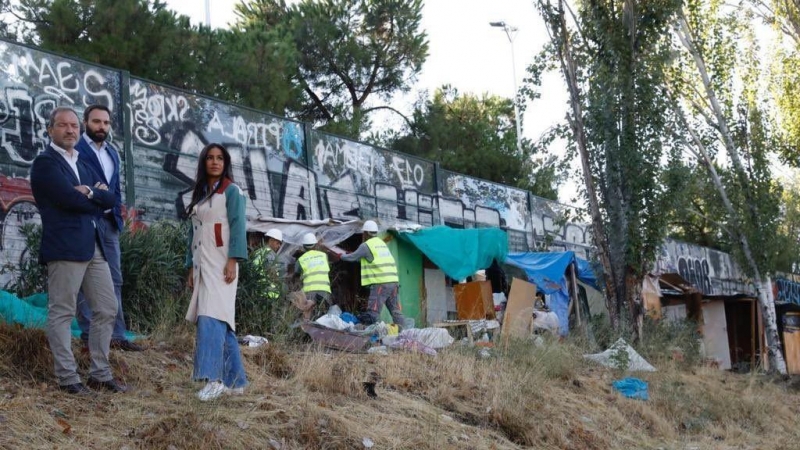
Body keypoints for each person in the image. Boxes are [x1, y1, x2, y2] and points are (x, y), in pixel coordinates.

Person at [30, 106, 126, 394]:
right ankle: (68, 378)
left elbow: (110, 197)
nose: (70, 130)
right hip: (64, 247)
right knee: (62, 312)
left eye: (74, 126)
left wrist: (92, 192)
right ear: (51, 130)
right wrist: (91, 196)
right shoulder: (45, 164)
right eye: (63, 125)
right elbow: (70, 201)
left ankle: (100, 373)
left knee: (107, 308)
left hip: (92, 246)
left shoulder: (82, 163)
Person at [74, 104, 143, 352]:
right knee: (84, 279)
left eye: (105, 122)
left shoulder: (112, 152)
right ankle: (88, 334)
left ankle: (117, 335)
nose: (101, 126)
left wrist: (117, 214)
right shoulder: (76, 150)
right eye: (96, 122)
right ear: (85, 123)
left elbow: (115, 190)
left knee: (115, 279)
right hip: (84, 222)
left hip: (109, 224)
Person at [185, 143, 248, 401]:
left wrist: (233, 260)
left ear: (225, 162)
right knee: (221, 321)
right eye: (210, 158)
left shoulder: (231, 191)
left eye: (220, 158)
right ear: (204, 162)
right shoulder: (200, 193)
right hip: (202, 264)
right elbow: (193, 233)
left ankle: (213, 379)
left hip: (222, 264)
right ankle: (235, 382)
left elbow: (238, 225)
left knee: (210, 317)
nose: (215, 162)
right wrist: (190, 266)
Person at [341, 220, 405, 327]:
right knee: (395, 310)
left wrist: (340, 255)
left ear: (365, 233)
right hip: (393, 282)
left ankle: (372, 336)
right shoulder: (381, 244)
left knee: (373, 312)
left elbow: (352, 258)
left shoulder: (366, 246)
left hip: (381, 283)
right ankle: (406, 333)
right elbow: (368, 259)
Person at [292, 232, 332, 320]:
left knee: (310, 318)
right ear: (315, 244)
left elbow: (296, 275)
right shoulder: (324, 256)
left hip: (309, 292)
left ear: (303, 246)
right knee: (324, 318)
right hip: (324, 291)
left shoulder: (301, 260)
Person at [251, 228, 287, 300]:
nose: (279, 246)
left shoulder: (257, 252)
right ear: (271, 241)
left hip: (257, 292)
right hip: (270, 294)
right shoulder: (270, 254)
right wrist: (282, 287)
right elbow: (271, 272)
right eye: (278, 243)